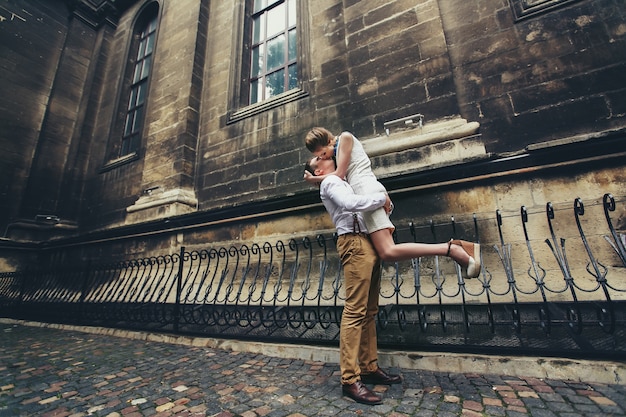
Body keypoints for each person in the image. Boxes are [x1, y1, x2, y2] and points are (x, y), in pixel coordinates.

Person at [304, 127, 481, 278]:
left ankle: (453, 249)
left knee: (388, 251)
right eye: (320, 156)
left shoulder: (346, 137)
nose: (326, 158)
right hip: (366, 194)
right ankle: (453, 249)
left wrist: (314, 179)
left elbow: (340, 174)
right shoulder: (337, 150)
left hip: (366, 191)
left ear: (328, 140)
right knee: (386, 252)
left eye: (323, 154)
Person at [305, 155, 401, 406]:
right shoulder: (330, 184)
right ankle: (350, 379)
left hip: (369, 240)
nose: (327, 155)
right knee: (355, 311)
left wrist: (385, 204)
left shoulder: (343, 179)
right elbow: (350, 204)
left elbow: (377, 205)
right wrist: (381, 198)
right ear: (317, 168)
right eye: (319, 157)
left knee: (369, 310)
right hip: (354, 242)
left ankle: (369, 367)